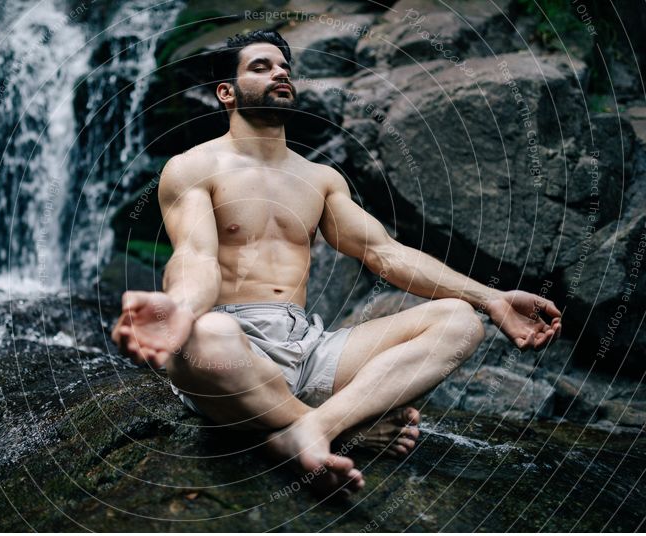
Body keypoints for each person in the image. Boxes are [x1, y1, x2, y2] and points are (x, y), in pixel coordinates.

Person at [112, 30, 562, 497]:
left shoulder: (319, 179)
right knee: (207, 334)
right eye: (261, 67)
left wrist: (491, 298)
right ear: (227, 91)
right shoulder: (192, 167)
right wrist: (179, 310)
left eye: (284, 67)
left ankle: (308, 428)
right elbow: (196, 256)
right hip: (232, 351)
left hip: (309, 348)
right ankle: (342, 428)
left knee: (459, 321)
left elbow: (384, 253)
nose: (280, 72)